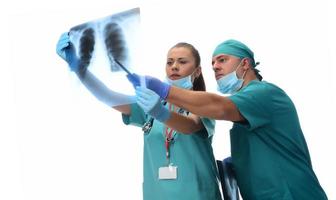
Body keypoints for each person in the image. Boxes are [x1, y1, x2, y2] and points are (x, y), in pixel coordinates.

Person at [127, 39, 328, 199]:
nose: (215, 66)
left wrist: (164, 90)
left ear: (245, 63)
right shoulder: (246, 106)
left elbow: (219, 107)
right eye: (213, 63)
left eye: (222, 60)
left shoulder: (264, 93)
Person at [56, 32, 222, 200]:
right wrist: (76, 65)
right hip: (157, 194)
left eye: (182, 62)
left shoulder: (202, 103)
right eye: (169, 62)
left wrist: (160, 113)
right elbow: (107, 96)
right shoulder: (152, 103)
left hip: (197, 194)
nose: (174, 66)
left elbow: (190, 125)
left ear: (197, 71)